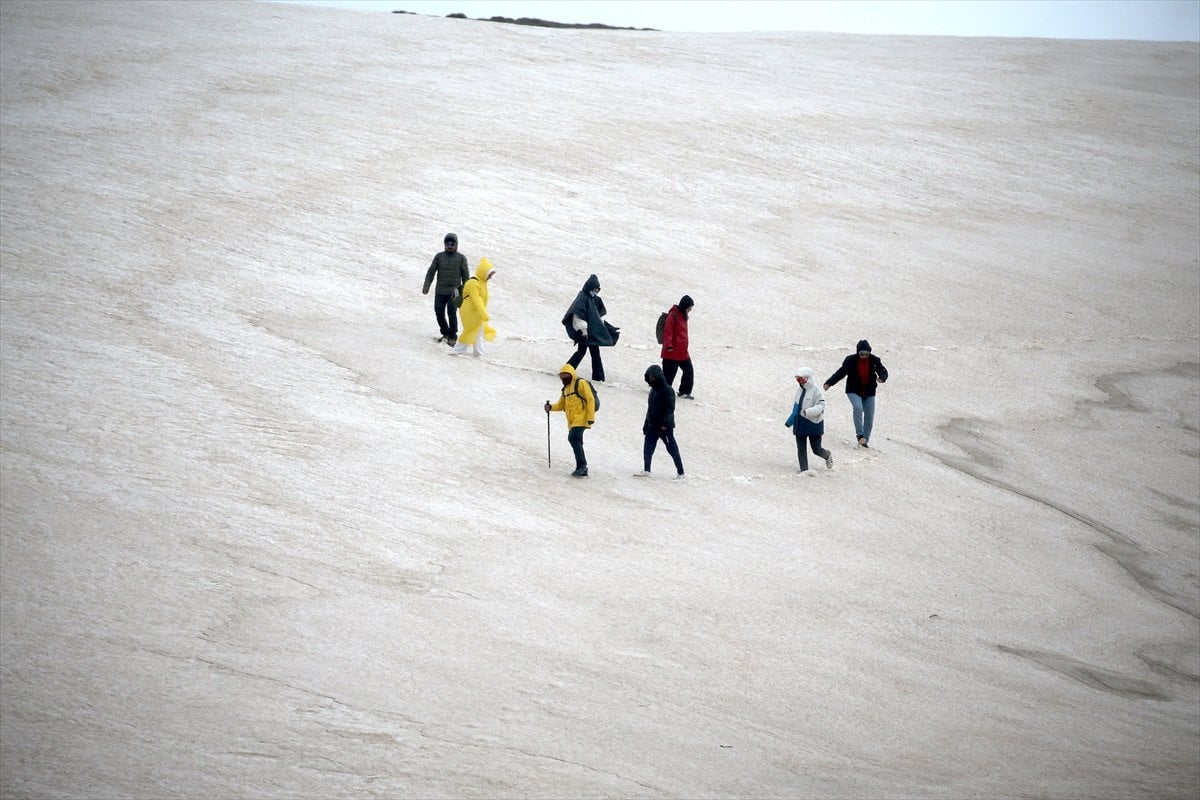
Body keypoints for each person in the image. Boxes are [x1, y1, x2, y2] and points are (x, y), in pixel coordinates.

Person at [823, 339, 889, 448]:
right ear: (858, 352)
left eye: (866, 354)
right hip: (853, 390)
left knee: (869, 416)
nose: (864, 356)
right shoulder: (850, 360)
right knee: (858, 408)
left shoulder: (874, 360)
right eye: (861, 354)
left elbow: (883, 371)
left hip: (869, 391)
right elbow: (840, 373)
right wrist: (829, 383)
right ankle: (860, 435)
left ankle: (864, 441)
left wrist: (882, 378)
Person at [562, 274, 617, 382]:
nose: (595, 292)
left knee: (595, 354)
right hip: (583, 332)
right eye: (594, 289)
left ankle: (598, 378)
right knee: (582, 352)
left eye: (597, 290)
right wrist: (584, 330)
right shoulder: (582, 298)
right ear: (590, 287)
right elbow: (578, 316)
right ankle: (567, 371)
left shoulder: (594, 299)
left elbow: (596, 315)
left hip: (591, 332)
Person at [544, 364, 596, 478]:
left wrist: (590, 418)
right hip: (572, 422)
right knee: (577, 441)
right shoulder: (566, 389)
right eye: (562, 376)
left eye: (565, 375)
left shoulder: (580, 383)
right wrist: (550, 407)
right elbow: (561, 405)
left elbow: (591, 399)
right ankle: (582, 467)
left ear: (571, 374)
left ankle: (582, 466)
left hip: (582, 418)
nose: (563, 378)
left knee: (573, 438)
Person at [636, 364, 685, 479]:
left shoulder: (668, 390)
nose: (651, 379)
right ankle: (647, 470)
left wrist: (665, 424)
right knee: (648, 448)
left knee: (672, 449)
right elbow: (650, 409)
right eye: (649, 377)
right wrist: (646, 423)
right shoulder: (652, 391)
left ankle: (681, 472)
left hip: (664, 427)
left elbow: (670, 409)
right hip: (652, 425)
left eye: (652, 377)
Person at [422, 232, 470, 345]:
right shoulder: (439, 257)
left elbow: (466, 278)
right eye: (448, 243)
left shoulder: (461, 258)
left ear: (456, 244)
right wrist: (426, 286)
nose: (450, 246)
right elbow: (431, 272)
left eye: (452, 244)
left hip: (455, 291)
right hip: (440, 290)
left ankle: (453, 336)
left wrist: (466, 293)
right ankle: (445, 333)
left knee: (451, 312)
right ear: (444, 244)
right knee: (438, 311)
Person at [786, 367, 833, 474]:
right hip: (800, 423)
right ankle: (804, 470)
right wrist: (790, 421)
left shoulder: (816, 391)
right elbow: (796, 408)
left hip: (814, 424)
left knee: (816, 449)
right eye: (797, 379)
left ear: (808, 378)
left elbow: (821, 406)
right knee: (801, 449)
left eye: (801, 379)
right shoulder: (799, 390)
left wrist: (808, 412)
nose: (799, 382)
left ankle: (827, 455)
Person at [451, 258, 496, 357]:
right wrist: (484, 314)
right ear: (484, 272)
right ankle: (458, 350)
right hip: (470, 312)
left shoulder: (482, 283)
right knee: (471, 331)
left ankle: (476, 353)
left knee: (477, 332)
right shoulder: (473, 283)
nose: (491, 277)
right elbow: (477, 300)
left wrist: (483, 313)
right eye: (490, 274)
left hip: (476, 312)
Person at [660, 294, 695, 399]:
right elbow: (668, 331)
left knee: (689, 371)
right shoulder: (673, 315)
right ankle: (660, 392)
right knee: (668, 377)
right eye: (689, 308)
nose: (690, 310)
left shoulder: (683, 316)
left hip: (682, 352)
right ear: (684, 306)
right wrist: (668, 346)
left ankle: (684, 392)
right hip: (671, 352)